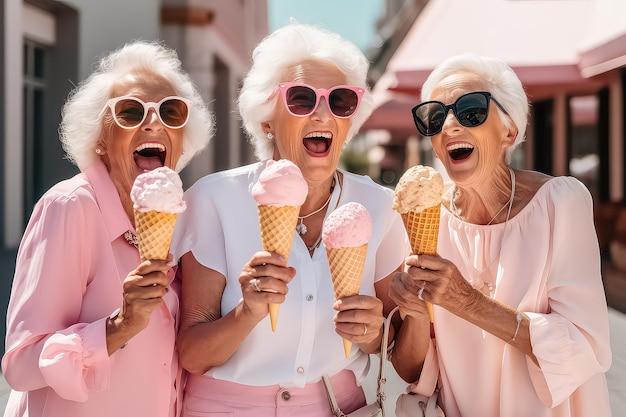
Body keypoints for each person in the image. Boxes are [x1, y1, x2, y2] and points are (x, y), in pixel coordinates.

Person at [170, 23, 409, 417]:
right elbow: (193, 355)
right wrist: (247, 312)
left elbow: (398, 351)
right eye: (301, 99)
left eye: (340, 101)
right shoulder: (213, 199)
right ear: (267, 119)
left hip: (340, 407)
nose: (322, 113)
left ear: (349, 122)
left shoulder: (380, 206)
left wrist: (374, 333)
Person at [389, 52, 612, 416]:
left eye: (470, 111)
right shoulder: (426, 217)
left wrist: (467, 302)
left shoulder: (560, 203)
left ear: (509, 130)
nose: (449, 126)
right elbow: (411, 370)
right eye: (435, 117)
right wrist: (413, 314)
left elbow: (586, 348)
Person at [1, 40, 213, 417]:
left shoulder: (178, 218)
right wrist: (120, 325)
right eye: (130, 112)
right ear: (101, 139)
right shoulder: (71, 207)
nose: (153, 122)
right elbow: (20, 366)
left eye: (170, 112)